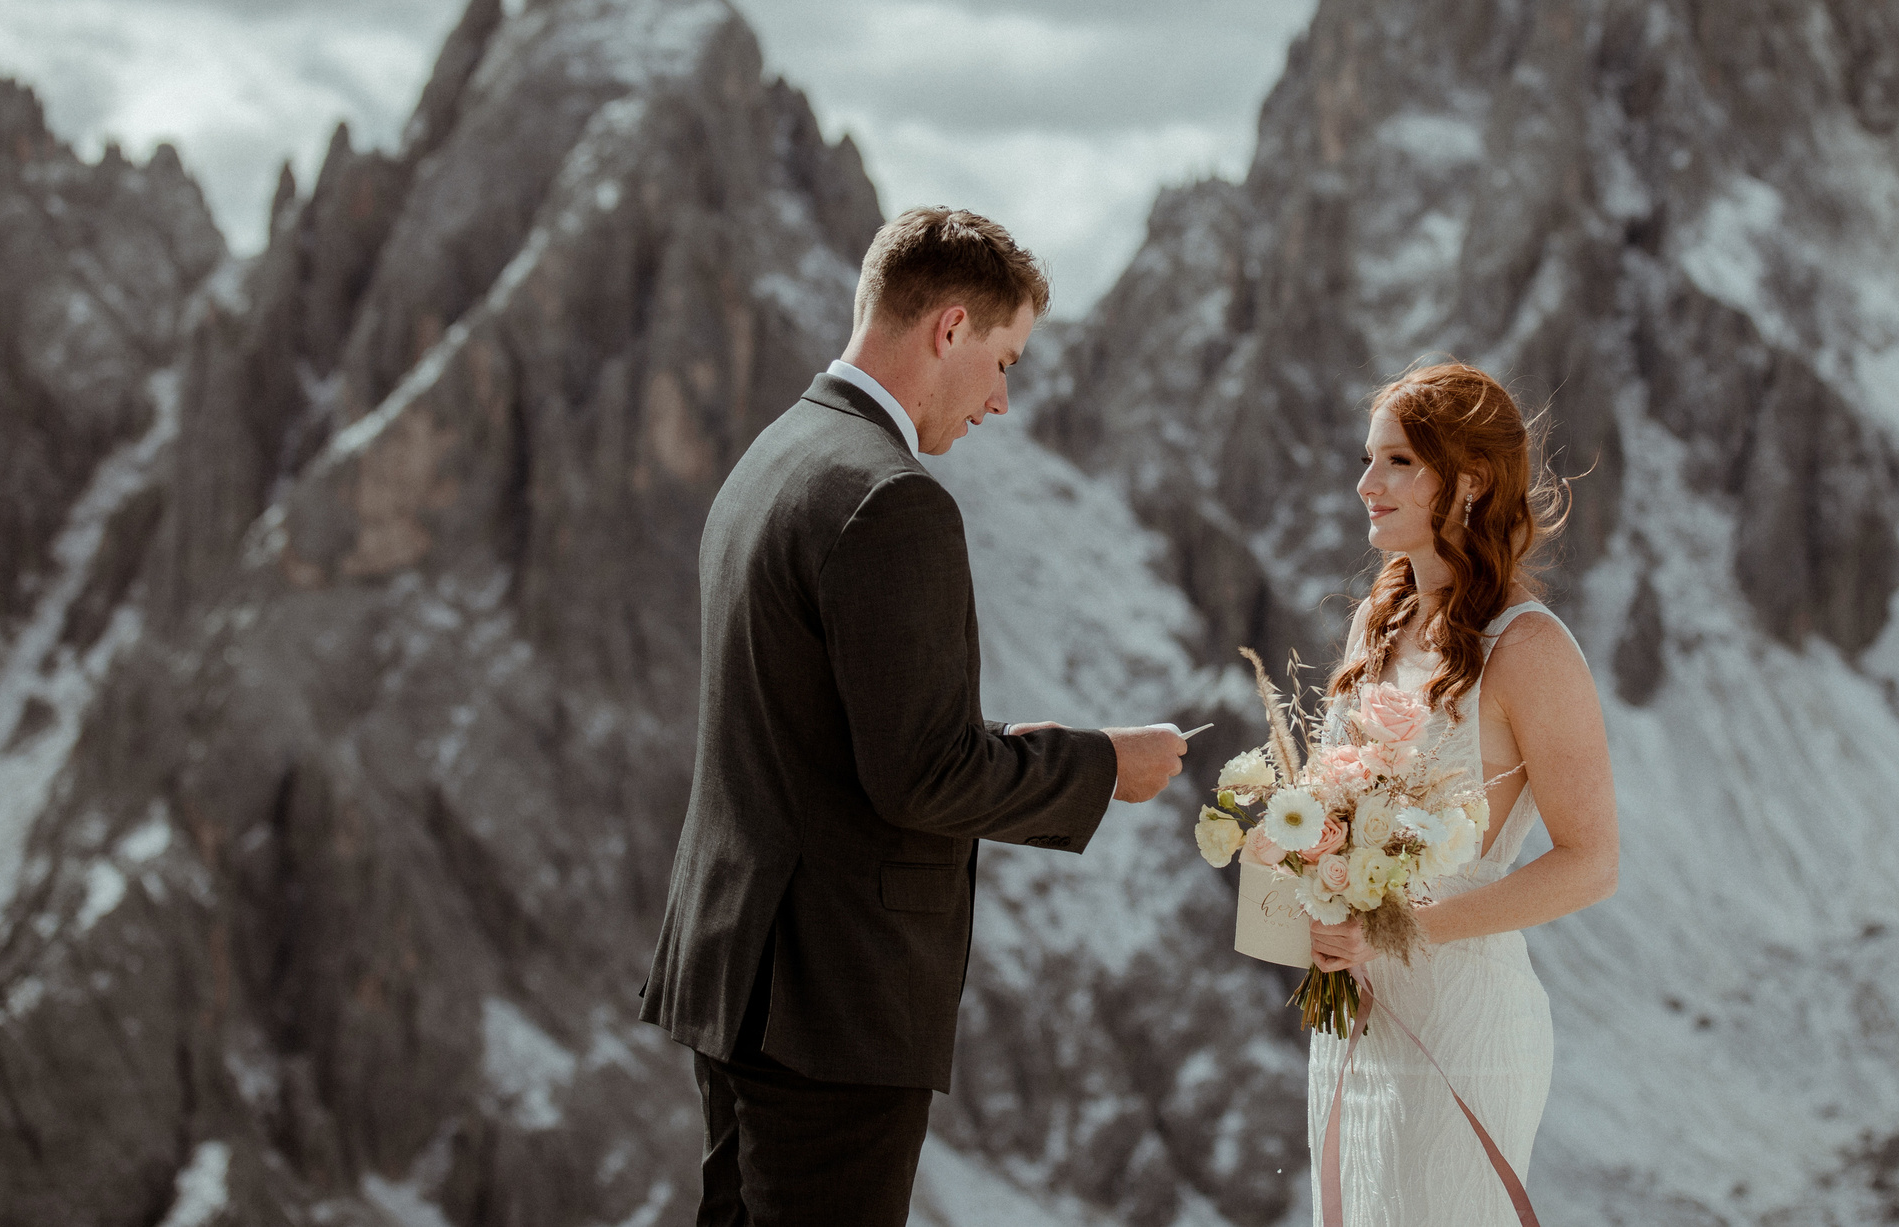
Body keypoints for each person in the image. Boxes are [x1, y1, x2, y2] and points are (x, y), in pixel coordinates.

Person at [638, 206, 1188, 1226]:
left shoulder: (776, 456)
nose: (1001, 402)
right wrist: (1103, 765)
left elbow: (841, 734)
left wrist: (980, 745)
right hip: (830, 1001)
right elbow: (920, 777)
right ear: (949, 329)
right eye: (1005, 360)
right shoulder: (894, 500)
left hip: (740, 973)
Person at [1306, 361, 1620, 1224]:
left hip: (1463, 1023)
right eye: (1370, 459)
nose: (1366, 483)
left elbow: (1591, 863)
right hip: (1356, 1025)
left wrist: (1400, 929)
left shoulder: (1530, 648)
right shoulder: (1382, 619)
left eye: (1398, 461)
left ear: (1472, 479)